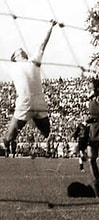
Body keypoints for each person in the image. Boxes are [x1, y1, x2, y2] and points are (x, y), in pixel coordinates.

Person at [2, 20, 58, 151]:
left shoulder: (34, 61)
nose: (21, 51)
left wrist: (50, 27)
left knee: (47, 132)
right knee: (9, 137)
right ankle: (6, 144)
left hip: (39, 99)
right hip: (24, 100)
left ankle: (47, 145)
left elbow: (43, 44)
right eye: (17, 51)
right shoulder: (11, 67)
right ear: (14, 57)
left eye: (22, 51)